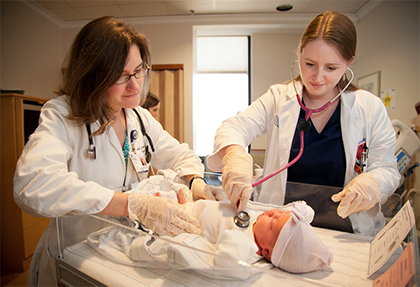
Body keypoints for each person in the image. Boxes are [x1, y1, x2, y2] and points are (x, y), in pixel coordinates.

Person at [12, 16, 224, 287]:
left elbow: (181, 155)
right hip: (73, 256)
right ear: (92, 77)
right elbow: (32, 184)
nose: (135, 85)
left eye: (139, 71)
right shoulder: (62, 115)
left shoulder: (139, 118)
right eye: (121, 76)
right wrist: (131, 204)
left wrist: (195, 181)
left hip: (122, 254)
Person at [207, 11, 400, 237]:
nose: (317, 77)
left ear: (349, 63)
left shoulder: (369, 108)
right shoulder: (279, 98)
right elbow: (234, 127)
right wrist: (234, 155)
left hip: (345, 232)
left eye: (331, 68)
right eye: (310, 64)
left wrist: (372, 183)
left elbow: (387, 169)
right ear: (299, 52)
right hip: (281, 228)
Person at [128, 179, 333, 273]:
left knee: (161, 205)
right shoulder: (256, 220)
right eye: (278, 213)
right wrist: (300, 215)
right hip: (197, 204)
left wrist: (183, 208)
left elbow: (225, 260)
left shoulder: (246, 243)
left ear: (266, 251)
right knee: (174, 188)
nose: (272, 212)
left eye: (273, 223)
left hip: (184, 219)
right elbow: (303, 208)